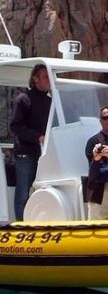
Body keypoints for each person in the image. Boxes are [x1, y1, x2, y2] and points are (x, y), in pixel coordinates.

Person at [9, 64, 52, 221]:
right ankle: (20, 224)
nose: (49, 80)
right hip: (26, 153)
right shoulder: (23, 99)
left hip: (46, 153)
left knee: (44, 189)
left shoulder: (50, 102)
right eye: (46, 77)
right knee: (23, 191)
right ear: (36, 79)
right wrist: (38, 137)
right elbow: (15, 126)